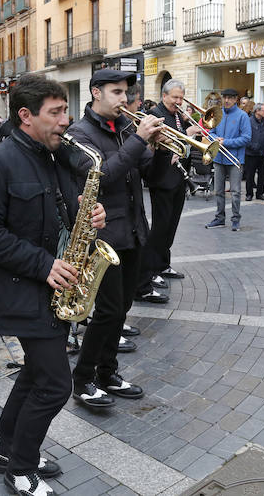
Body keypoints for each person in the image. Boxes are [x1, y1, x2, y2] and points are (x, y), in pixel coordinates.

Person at [0, 74, 108, 495]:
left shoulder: (53, 155)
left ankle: (9, 450)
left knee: (34, 374)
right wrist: (44, 264)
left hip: (54, 287)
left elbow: (64, 212)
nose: (66, 120)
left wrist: (90, 214)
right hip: (23, 288)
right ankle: (21, 468)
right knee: (55, 384)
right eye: (57, 112)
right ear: (25, 116)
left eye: (65, 110)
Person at [66, 69, 165, 410]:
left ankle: (108, 373)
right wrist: (139, 139)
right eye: (117, 92)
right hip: (103, 235)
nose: (125, 99)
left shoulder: (124, 128)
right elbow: (103, 176)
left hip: (133, 230)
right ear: (96, 92)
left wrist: (165, 148)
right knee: (107, 312)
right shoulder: (78, 134)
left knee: (121, 308)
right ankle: (82, 379)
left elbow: (148, 172)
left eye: (126, 93)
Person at [136, 79, 199, 303]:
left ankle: (163, 264)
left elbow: (180, 144)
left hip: (178, 178)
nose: (179, 102)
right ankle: (152, 270)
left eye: (181, 98)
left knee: (171, 226)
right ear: (164, 96)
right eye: (175, 97)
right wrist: (189, 133)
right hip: (161, 179)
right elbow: (159, 143)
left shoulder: (177, 115)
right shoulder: (157, 114)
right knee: (160, 228)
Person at [206, 88, 250, 230]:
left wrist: (226, 142)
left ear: (236, 99)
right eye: (224, 97)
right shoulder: (217, 113)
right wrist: (215, 139)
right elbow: (210, 132)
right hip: (219, 158)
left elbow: (246, 138)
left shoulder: (243, 116)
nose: (226, 100)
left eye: (230, 98)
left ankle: (235, 219)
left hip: (234, 159)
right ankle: (219, 218)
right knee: (218, 191)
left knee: (236, 192)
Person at [245, 103, 264, 201]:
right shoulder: (249, 121)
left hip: (262, 153)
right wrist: (252, 146)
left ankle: (260, 193)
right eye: (263, 110)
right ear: (257, 111)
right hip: (251, 153)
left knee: (262, 175)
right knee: (250, 175)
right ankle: (249, 194)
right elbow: (245, 137)